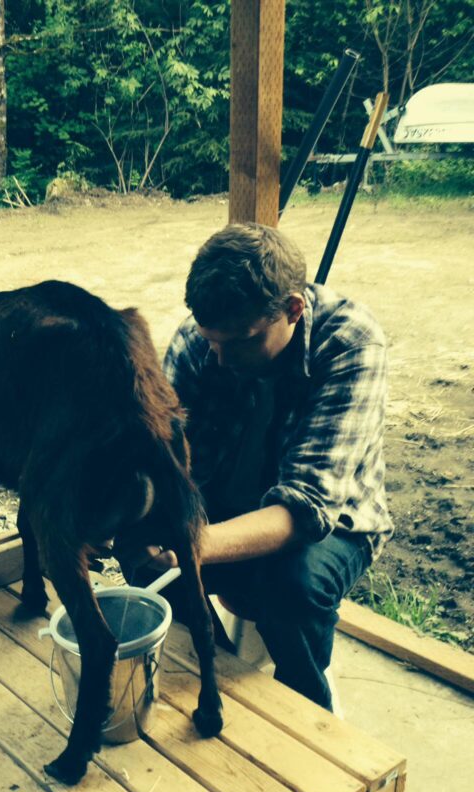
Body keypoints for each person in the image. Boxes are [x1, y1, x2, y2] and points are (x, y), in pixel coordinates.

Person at [118, 222, 393, 712]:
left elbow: (303, 508)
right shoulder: (204, 341)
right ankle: (223, 679)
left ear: (292, 310)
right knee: (142, 556)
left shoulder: (351, 344)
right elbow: (161, 458)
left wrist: (189, 544)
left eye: (239, 342)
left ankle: (308, 712)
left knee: (292, 586)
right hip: (226, 503)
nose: (218, 359)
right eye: (211, 340)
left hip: (333, 520)